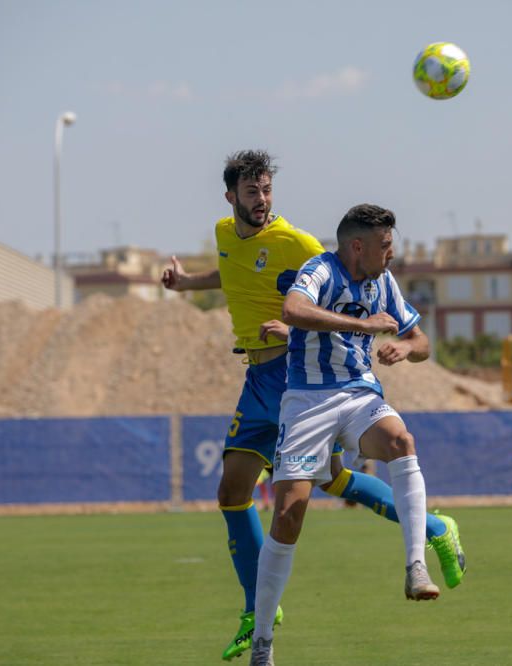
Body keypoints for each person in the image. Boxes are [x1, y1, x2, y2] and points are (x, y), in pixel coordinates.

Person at [161, 152, 466, 662]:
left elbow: (318, 294)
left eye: (267, 190)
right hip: (258, 375)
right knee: (235, 489)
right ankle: (260, 612)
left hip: (297, 373)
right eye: (252, 191)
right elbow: (232, 271)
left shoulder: (301, 246)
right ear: (231, 197)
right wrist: (188, 284)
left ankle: (262, 616)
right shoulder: (223, 234)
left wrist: (305, 326)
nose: (262, 200)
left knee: (315, 486)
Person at [250, 204, 452, 666]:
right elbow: (294, 309)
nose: (392, 254)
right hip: (306, 401)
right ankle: (263, 641)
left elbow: (421, 341)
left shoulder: (385, 282)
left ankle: (415, 566)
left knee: (402, 442)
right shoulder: (321, 269)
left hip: (359, 394)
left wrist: (404, 345)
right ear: (357, 245)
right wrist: (364, 325)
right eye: (385, 245)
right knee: (287, 515)